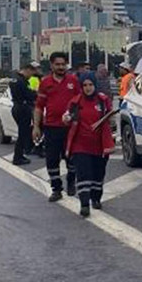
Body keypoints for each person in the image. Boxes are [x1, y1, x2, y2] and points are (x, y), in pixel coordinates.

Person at [63, 72, 115, 218]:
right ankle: (84, 204)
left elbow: (111, 119)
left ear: (95, 85)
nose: (88, 88)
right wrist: (66, 118)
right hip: (80, 145)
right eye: (84, 85)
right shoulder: (75, 102)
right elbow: (67, 117)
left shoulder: (103, 101)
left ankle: (96, 197)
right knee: (83, 173)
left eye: (90, 85)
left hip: (99, 145)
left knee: (98, 174)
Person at [34, 52, 81, 202]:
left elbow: (81, 103)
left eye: (63, 64)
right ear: (52, 65)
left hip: (71, 128)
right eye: (57, 64)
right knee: (52, 160)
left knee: (72, 158)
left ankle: (71, 181)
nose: (61, 67)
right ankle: (56, 188)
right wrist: (36, 126)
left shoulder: (73, 81)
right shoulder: (45, 82)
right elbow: (39, 107)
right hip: (51, 127)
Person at [9, 63, 37, 165]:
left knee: (23, 133)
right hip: (22, 108)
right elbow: (28, 94)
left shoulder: (14, 79)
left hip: (16, 107)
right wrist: (35, 94)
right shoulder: (21, 81)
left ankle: (20, 155)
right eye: (31, 73)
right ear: (27, 70)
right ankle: (18, 157)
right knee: (23, 133)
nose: (31, 76)